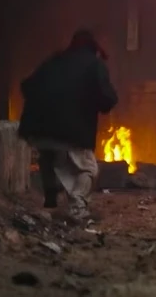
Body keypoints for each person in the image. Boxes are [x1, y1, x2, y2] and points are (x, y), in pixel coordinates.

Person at [18, 29, 118, 221]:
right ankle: (77, 208)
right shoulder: (94, 64)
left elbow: (26, 86)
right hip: (70, 132)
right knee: (88, 169)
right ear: (94, 48)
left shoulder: (54, 61)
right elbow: (107, 99)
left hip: (36, 130)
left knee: (52, 156)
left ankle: (50, 198)